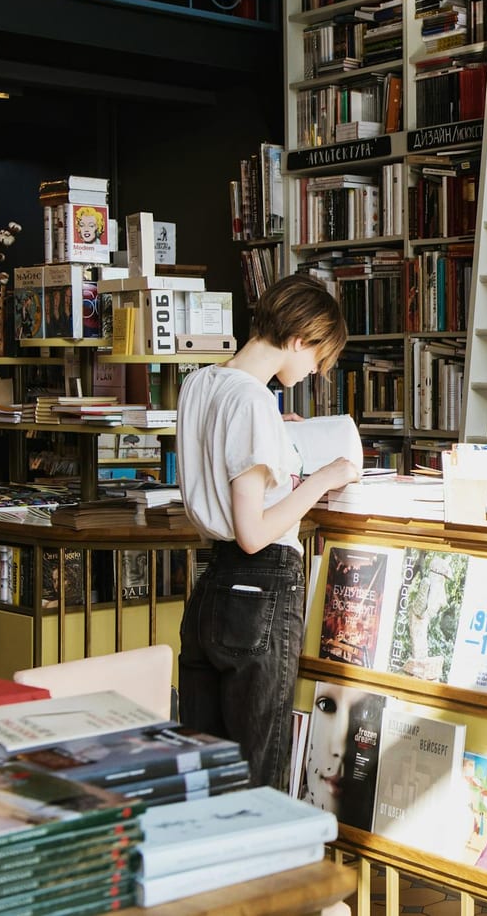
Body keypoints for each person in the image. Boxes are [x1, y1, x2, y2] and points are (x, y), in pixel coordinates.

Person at [176, 273, 356, 791]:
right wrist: (325, 477)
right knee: (260, 771)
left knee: (207, 769)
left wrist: (279, 436)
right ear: (299, 337)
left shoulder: (200, 383)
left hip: (211, 584)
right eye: (317, 360)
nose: (312, 373)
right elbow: (253, 531)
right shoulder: (255, 403)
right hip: (262, 583)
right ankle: (262, 872)